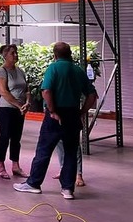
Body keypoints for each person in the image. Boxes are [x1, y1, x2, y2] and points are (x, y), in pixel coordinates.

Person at [14, 42, 97, 200]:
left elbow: (46, 91)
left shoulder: (53, 68)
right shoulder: (78, 71)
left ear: (54, 55)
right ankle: (67, 189)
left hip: (56, 114)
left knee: (44, 150)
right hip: (73, 113)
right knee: (71, 152)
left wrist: (52, 111)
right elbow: (92, 96)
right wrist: (81, 112)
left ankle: (34, 184)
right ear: (70, 54)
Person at [0, 44, 30, 180]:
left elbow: (27, 89)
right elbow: (3, 92)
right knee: (5, 135)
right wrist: (18, 105)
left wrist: (27, 102)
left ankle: (15, 165)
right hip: (6, 108)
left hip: (19, 109)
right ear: (5, 56)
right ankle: (1, 166)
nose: (15, 55)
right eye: (12, 53)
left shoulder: (20, 71)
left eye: (16, 52)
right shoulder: (2, 71)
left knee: (16, 138)